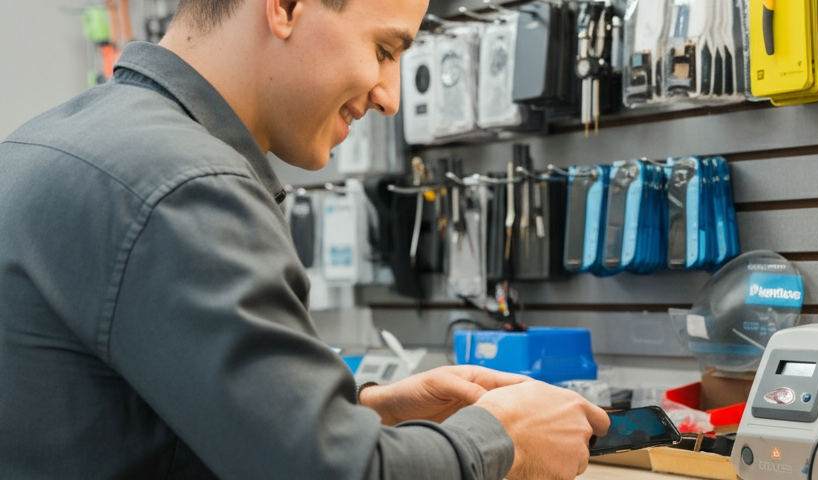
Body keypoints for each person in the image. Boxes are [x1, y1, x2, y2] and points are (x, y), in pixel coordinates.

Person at [0, 0, 610, 478]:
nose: (390, 96)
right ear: (287, 6)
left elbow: (133, 422)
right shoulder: (187, 186)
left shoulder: (45, 144)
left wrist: (365, 411)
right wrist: (501, 441)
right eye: (383, 48)